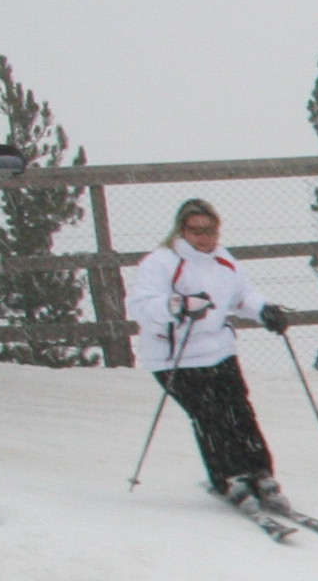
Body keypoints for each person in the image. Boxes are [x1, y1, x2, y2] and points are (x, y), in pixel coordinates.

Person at [125, 196, 297, 527]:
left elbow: (242, 296)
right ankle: (228, 477)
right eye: (196, 231)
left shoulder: (223, 260)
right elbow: (142, 307)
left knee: (239, 410)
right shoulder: (161, 262)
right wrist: (177, 306)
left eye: (210, 231)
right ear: (182, 231)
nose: (204, 238)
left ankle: (259, 472)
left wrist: (264, 310)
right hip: (175, 357)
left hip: (218, 349)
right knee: (210, 415)